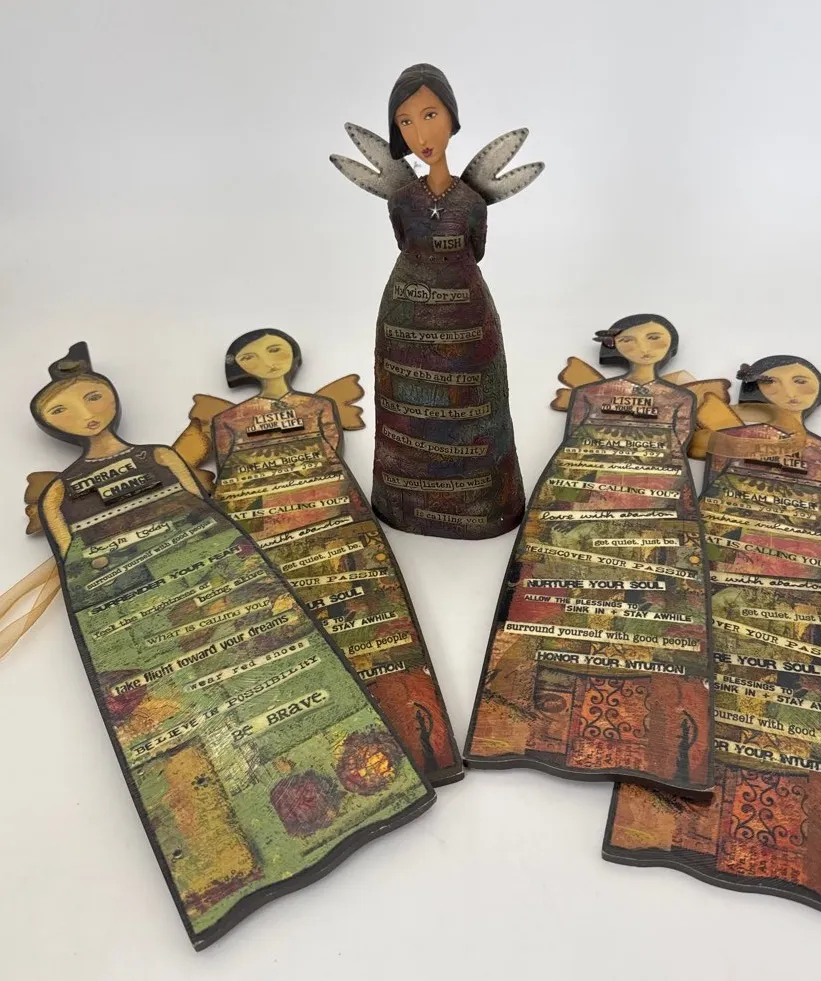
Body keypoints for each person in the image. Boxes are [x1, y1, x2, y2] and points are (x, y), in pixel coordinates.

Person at [30, 344, 434, 948]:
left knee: (281, 668)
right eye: (63, 410)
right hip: (136, 611)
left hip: (219, 577)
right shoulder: (61, 491)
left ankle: (360, 796)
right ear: (51, 423)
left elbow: (203, 507)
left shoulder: (159, 456)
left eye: (93, 397)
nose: (86, 413)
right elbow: (70, 555)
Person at [604, 355, 821, 925]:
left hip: (806, 585)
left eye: (803, 381)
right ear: (758, 387)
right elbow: (716, 496)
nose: (793, 390)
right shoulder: (732, 441)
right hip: (727, 572)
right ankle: (669, 824)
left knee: (803, 699)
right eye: (779, 380)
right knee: (709, 680)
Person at [464, 315, 713, 792]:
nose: (644, 347)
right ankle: (523, 725)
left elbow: (676, 447)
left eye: (655, 338)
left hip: (654, 508)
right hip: (584, 507)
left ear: (669, 346)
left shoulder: (680, 399)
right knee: (556, 601)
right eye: (631, 339)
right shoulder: (591, 394)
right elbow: (575, 444)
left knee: (641, 612)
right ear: (616, 345)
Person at [207, 328, 463, 785]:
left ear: (292, 355)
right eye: (251, 357)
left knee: (370, 618)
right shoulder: (230, 419)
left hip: (336, 518)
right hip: (269, 530)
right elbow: (232, 476)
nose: (267, 362)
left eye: (275, 350)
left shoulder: (319, 407)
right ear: (239, 368)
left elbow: (329, 453)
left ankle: (423, 747)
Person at [331, 63, 543, 538]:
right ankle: (405, 504)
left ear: (452, 117)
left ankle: (481, 506)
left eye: (430, 115)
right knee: (405, 405)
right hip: (404, 316)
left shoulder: (472, 202)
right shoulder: (401, 200)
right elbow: (408, 243)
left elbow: (474, 250)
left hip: (467, 314)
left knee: (476, 404)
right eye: (406, 122)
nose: (421, 134)